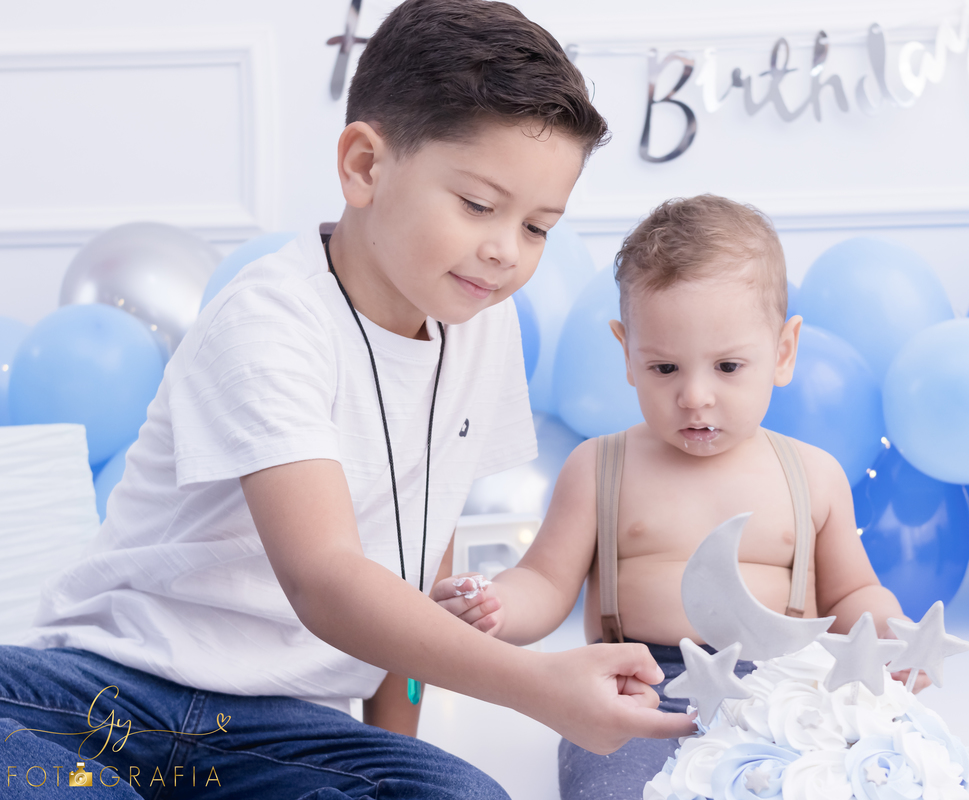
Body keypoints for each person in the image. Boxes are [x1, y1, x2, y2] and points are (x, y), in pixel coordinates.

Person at [0, 2, 691, 798]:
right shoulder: (269, 318)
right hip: (105, 692)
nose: (505, 250)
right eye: (478, 205)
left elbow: (421, 559)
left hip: (276, 731)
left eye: (537, 227)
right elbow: (325, 577)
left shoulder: (481, 326)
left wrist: (394, 759)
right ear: (364, 165)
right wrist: (539, 687)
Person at [434, 195, 969, 800]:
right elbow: (545, 579)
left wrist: (889, 632)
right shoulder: (601, 467)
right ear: (627, 353)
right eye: (664, 368)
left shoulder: (812, 474)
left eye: (727, 367)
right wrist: (499, 606)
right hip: (645, 686)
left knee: (877, 765)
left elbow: (853, 590)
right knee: (619, 784)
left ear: (782, 353)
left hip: (793, 686)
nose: (695, 395)